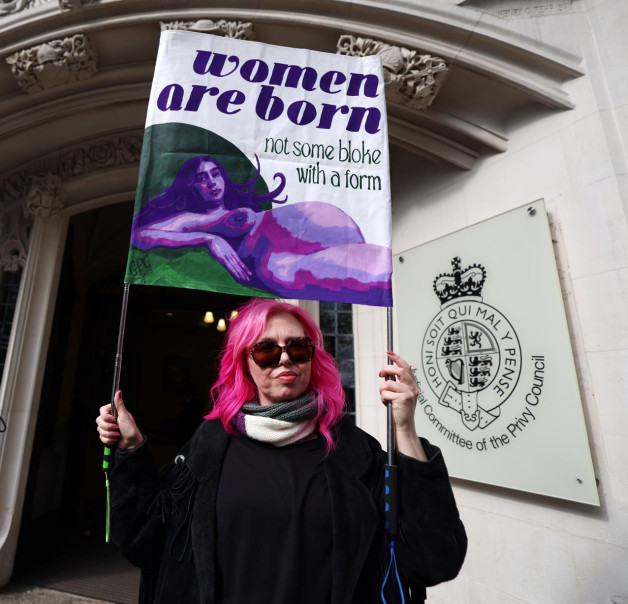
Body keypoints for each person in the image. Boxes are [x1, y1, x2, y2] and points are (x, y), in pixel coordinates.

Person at [96, 299, 466, 603]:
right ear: (245, 363)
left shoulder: (355, 453)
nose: (284, 359)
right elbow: (144, 541)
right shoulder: (208, 446)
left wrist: (405, 429)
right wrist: (131, 448)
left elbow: (435, 560)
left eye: (298, 347)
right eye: (266, 350)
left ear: (312, 357)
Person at [131, 156, 392, 305]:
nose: (212, 182)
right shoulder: (193, 218)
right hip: (277, 261)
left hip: (321, 238)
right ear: (192, 186)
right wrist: (208, 238)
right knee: (375, 276)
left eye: (215, 174)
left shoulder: (238, 205)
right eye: (202, 178)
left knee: (372, 258)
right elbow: (141, 235)